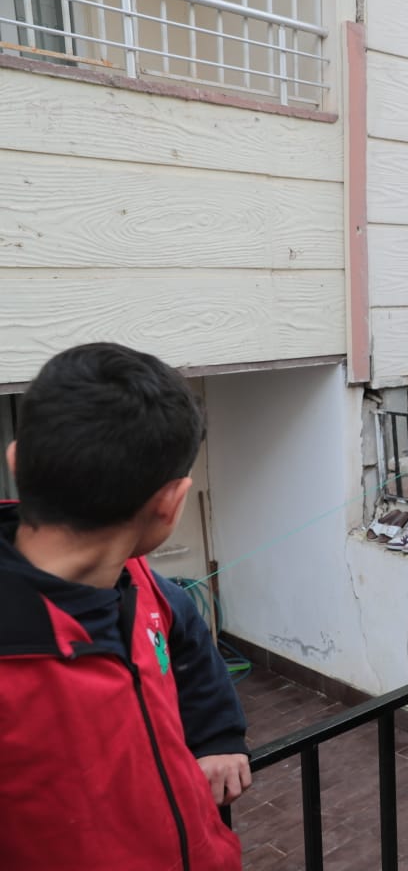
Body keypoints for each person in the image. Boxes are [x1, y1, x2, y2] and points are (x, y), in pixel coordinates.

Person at [0, 342, 250, 870]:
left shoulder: (135, 579)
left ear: (17, 460)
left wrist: (218, 734)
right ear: (171, 505)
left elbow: (184, 636)